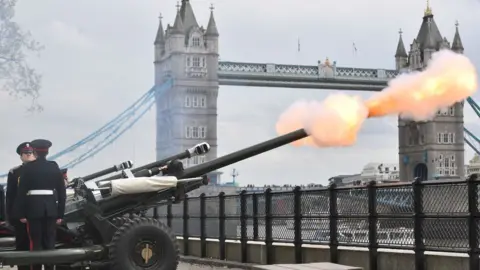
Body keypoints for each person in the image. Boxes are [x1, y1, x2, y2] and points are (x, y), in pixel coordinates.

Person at [14, 139, 66, 270]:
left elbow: (21, 193)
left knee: (35, 244)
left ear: (35, 152)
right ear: (47, 151)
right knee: (50, 243)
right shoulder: (54, 166)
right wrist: (60, 214)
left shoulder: (28, 168)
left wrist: (21, 213)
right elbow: (61, 192)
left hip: (33, 210)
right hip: (51, 209)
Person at [6, 142, 35, 270]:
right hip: (21, 217)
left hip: (39, 214)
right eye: (26, 153)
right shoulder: (15, 172)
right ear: (21, 156)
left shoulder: (42, 169)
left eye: (30, 153)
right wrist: (10, 217)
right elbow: (10, 196)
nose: (28, 155)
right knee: (22, 246)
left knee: (40, 247)